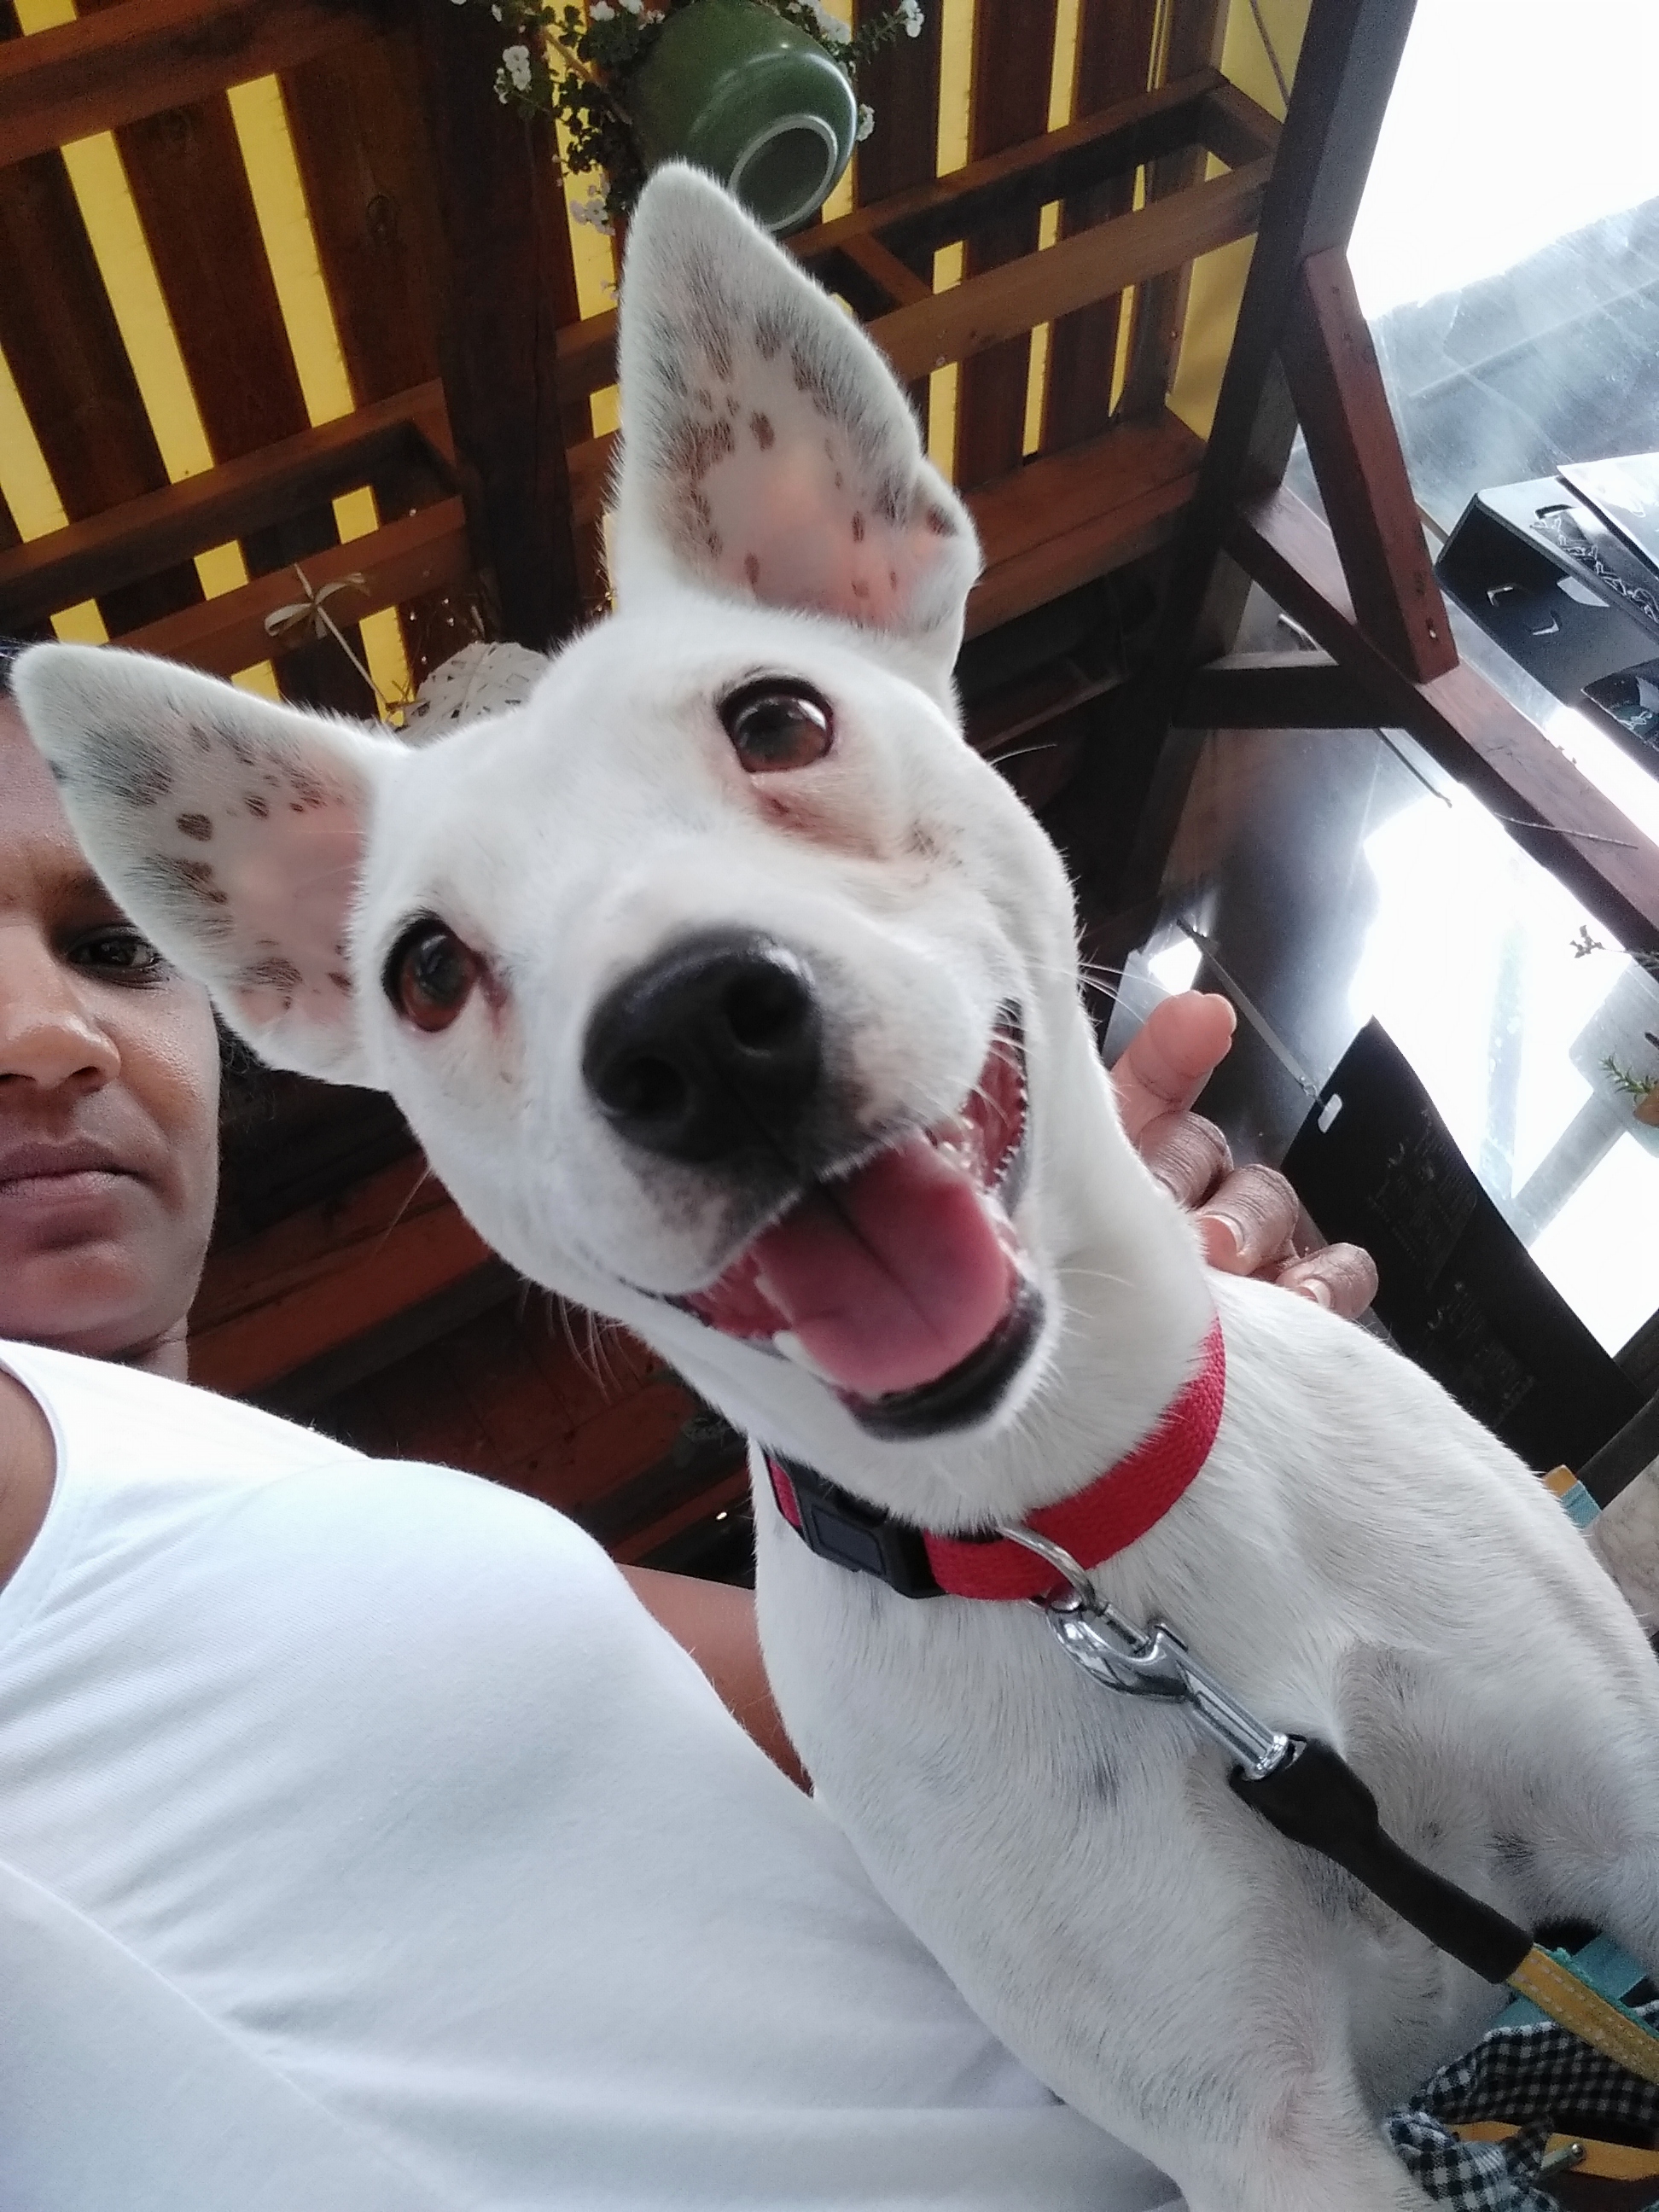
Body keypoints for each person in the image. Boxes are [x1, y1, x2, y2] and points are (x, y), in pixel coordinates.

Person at [0, 645, 1374, 2210]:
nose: (49, 1030)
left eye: (112, 947)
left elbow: (1001, 1728)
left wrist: (1084, 1369)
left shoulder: (329, 1513)